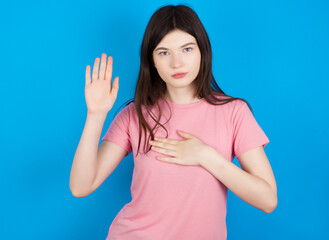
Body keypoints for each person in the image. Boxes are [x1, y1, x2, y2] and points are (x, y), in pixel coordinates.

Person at [70, 4, 277, 240]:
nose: (176, 63)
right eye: (164, 52)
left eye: (187, 49)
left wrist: (205, 156)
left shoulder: (234, 112)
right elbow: (81, 186)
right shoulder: (134, 114)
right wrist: (95, 115)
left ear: (202, 51)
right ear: (153, 61)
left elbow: (267, 199)